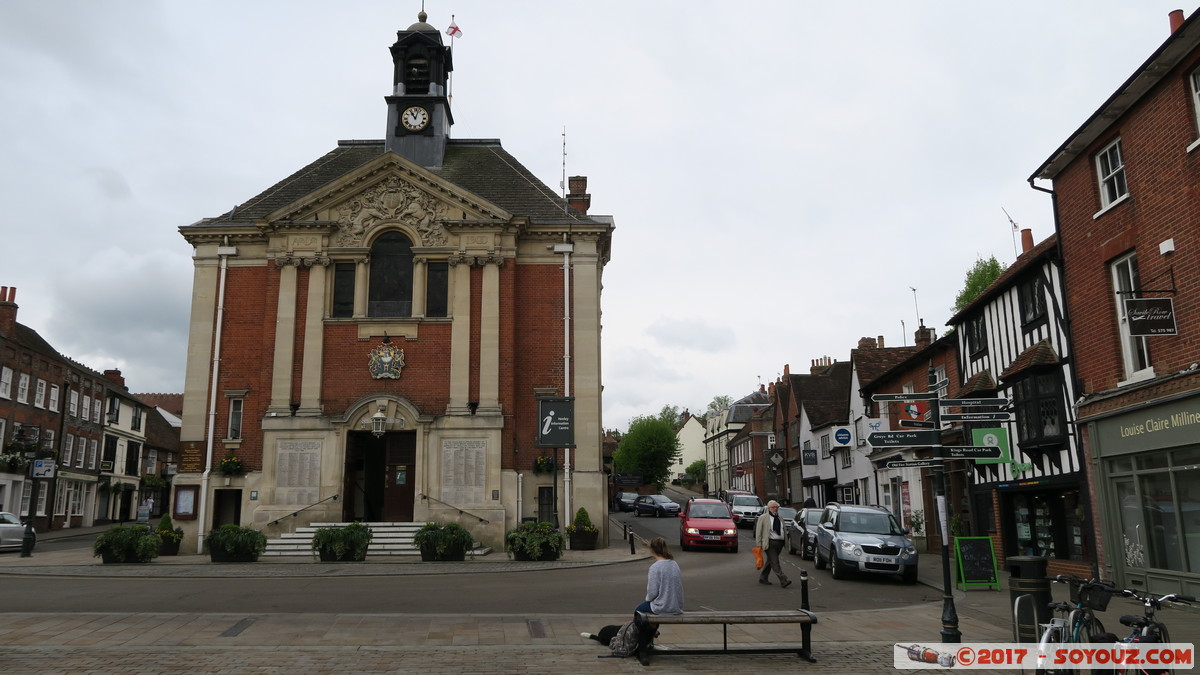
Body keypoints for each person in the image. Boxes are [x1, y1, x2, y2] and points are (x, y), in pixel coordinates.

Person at [635, 537, 684, 617]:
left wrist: (648, 600)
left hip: (662, 607)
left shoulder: (655, 567)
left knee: (638, 610)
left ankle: (648, 630)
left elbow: (652, 592)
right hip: (676, 606)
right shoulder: (674, 564)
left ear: (652, 550)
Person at [755, 500, 792, 588]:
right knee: (775, 562)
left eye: (777, 507)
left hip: (780, 543)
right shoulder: (763, 517)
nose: (775, 509)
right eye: (773, 507)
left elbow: (783, 530)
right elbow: (758, 531)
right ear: (769, 508)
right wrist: (759, 544)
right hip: (769, 543)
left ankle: (763, 578)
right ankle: (783, 580)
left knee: (771, 561)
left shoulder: (780, 518)